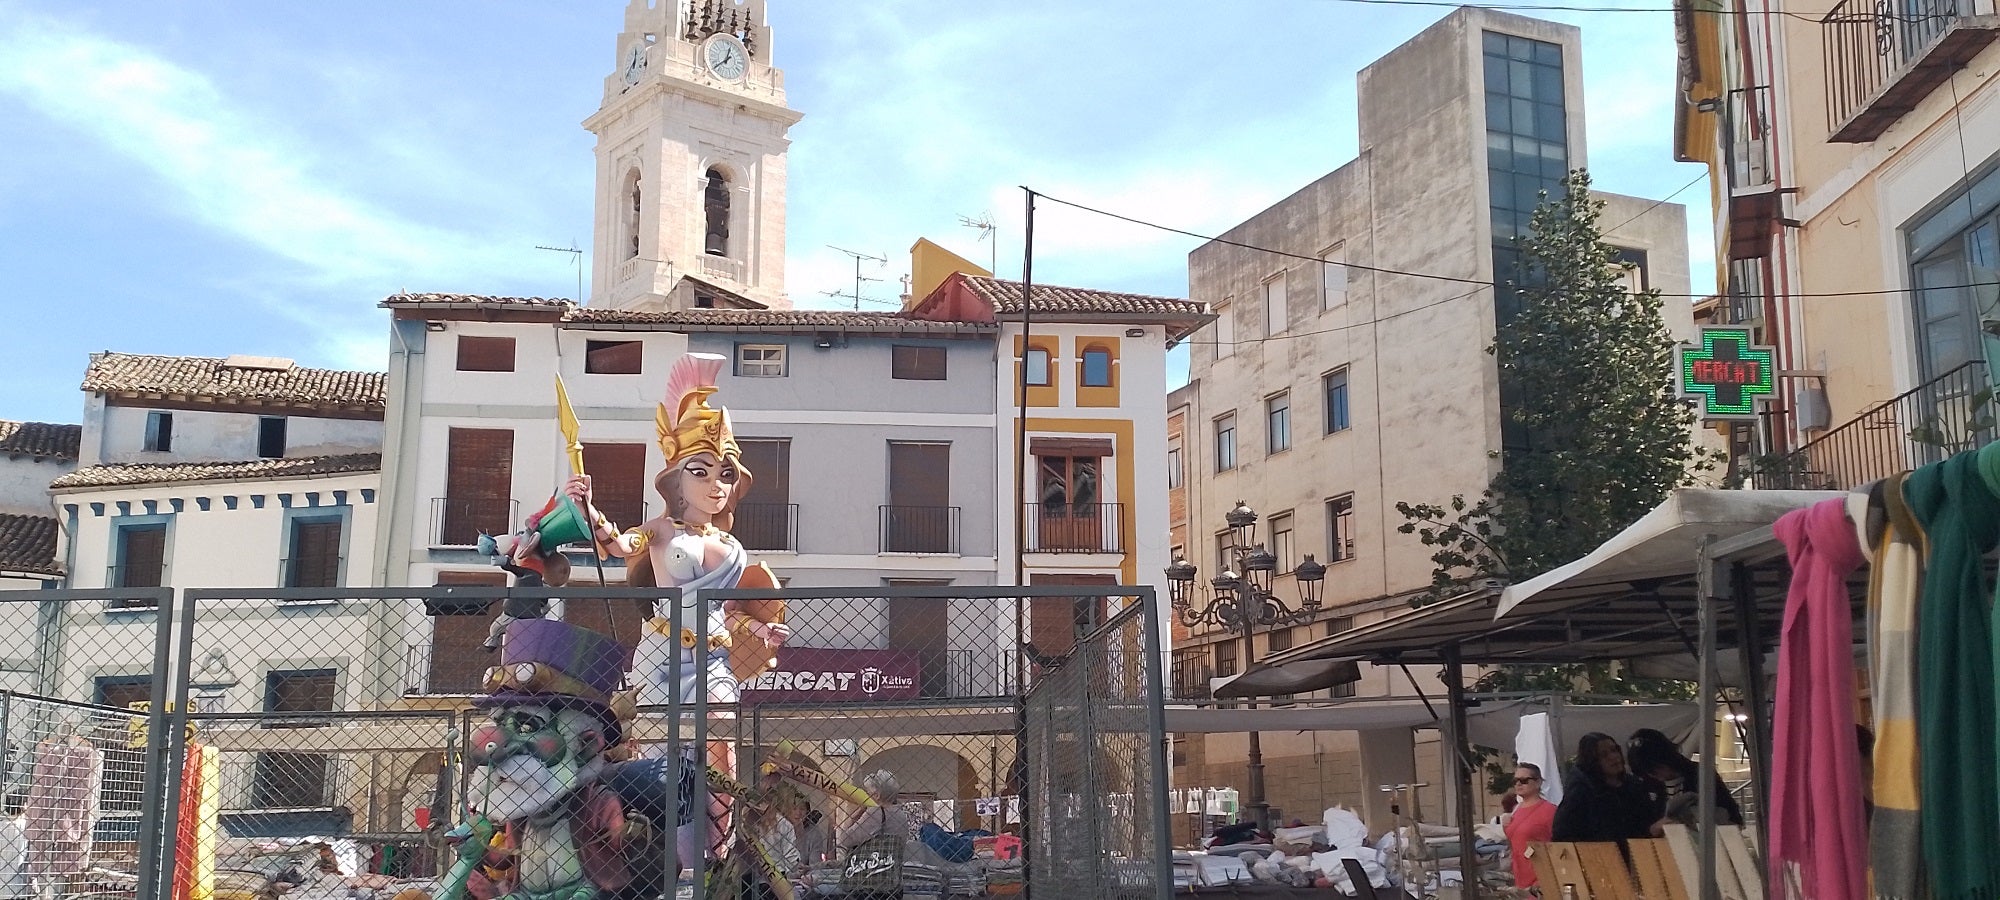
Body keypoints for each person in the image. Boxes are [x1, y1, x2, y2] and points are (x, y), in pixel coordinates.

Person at [1552, 732, 1663, 842]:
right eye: (1603, 755)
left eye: (1614, 750)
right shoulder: (1581, 791)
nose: (1613, 757)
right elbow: (1563, 833)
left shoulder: (1635, 785)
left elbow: (1646, 823)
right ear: (1592, 761)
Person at [1625, 728, 1743, 827]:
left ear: (1666, 757)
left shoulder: (1700, 774)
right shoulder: (1650, 785)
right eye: (1647, 772)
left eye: (1655, 768)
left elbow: (1729, 813)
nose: (1653, 775)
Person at [1504, 763, 1556, 890]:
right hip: (1519, 878)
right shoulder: (1516, 810)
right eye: (1515, 780)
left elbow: (1558, 846)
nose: (1518, 784)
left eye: (1524, 780)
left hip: (1540, 881)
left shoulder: (1550, 811)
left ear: (1538, 783)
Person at [838, 771, 912, 850]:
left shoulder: (875, 812)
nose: (865, 795)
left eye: (867, 792)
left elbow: (845, 839)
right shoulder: (901, 813)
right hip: (892, 859)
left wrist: (857, 813)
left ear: (877, 795)